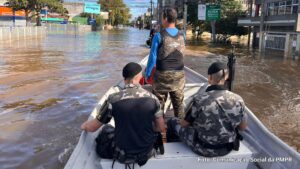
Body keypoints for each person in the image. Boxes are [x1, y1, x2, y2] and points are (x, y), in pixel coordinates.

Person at [81, 62, 165, 166]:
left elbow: (92, 128)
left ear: (124, 78)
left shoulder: (113, 99)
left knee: (106, 129)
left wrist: (84, 125)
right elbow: (160, 127)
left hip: (123, 155)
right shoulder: (153, 99)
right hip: (147, 153)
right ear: (139, 77)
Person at [168, 61, 247, 157]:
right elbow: (242, 127)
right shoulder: (239, 100)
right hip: (227, 148)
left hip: (203, 148)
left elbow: (185, 124)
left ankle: (172, 150)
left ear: (209, 78)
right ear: (226, 77)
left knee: (172, 122)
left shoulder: (200, 99)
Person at [145, 8, 186, 119]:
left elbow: (152, 58)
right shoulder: (183, 35)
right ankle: (180, 130)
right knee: (179, 106)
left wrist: (147, 74)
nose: (161, 20)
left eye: (162, 17)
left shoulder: (159, 36)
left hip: (162, 75)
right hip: (179, 76)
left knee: (158, 106)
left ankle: (159, 130)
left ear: (166, 19)